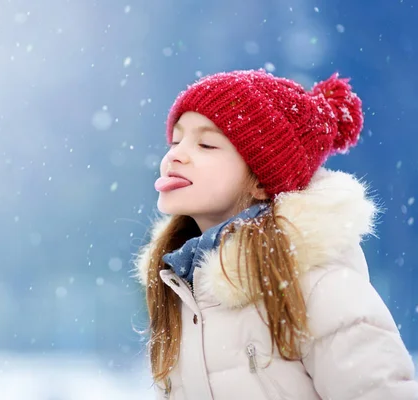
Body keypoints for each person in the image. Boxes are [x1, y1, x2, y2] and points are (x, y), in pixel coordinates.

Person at [133, 69, 418, 399]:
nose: (175, 155)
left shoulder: (319, 285)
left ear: (260, 179)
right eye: (175, 141)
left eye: (206, 144)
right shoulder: (181, 290)